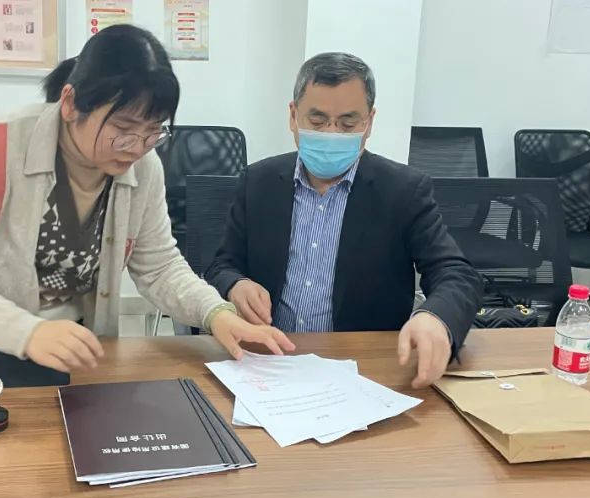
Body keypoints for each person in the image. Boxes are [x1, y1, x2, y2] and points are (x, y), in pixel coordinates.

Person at [0, 24, 294, 371]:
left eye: (153, 130)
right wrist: (27, 332)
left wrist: (215, 312)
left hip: (70, 351)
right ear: (70, 103)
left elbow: (159, 267)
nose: (137, 146)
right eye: (123, 127)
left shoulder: (143, 167)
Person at [206, 53, 482, 388]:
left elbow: (456, 273)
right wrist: (235, 284)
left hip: (362, 368)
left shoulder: (403, 191)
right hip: (268, 359)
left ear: (369, 122)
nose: (332, 134)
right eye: (318, 121)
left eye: (348, 124)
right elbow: (222, 263)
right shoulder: (258, 182)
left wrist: (435, 317)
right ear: (293, 116)